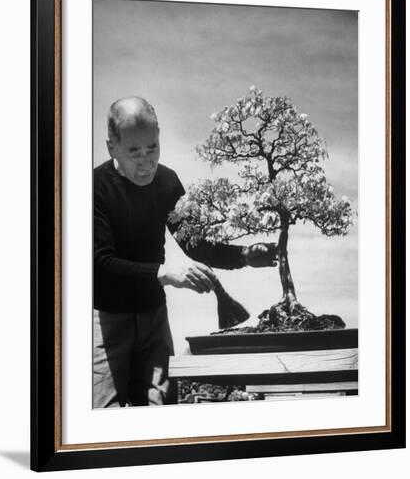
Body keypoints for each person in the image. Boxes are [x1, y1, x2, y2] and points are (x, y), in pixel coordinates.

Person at [93, 96, 278, 408]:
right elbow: (100, 262)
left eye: (152, 148)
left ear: (159, 136)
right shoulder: (95, 187)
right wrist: (164, 273)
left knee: (159, 407)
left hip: (154, 320)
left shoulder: (167, 182)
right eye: (133, 151)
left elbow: (195, 243)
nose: (145, 161)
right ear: (112, 147)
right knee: (104, 415)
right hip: (107, 321)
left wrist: (244, 255)